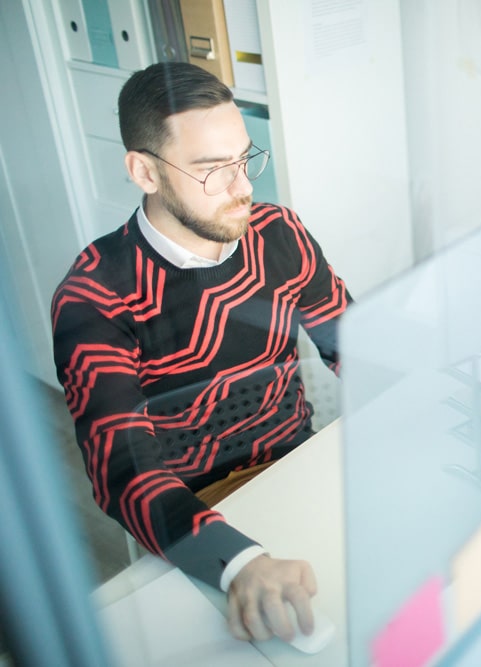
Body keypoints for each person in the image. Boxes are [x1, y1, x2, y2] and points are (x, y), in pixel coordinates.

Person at [50, 61, 351, 643]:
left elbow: (352, 342)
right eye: (213, 170)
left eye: (244, 159)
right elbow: (123, 471)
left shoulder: (277, 232)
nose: (243, 188)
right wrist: (237, 562)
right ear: (144, 171)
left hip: (298, 465)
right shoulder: (96, 295)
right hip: (192, 518)